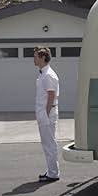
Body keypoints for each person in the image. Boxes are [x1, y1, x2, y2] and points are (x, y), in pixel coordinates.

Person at [33, 47, 60, 182]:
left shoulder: (48, 75)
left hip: (47, 113)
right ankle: (52, 170)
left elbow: (51, 94)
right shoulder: (44, 73)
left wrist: (46, 113)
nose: (34, 59)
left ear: (43, 58)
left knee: (49, 144)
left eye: (36, 57)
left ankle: (53, 173)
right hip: (45, 112)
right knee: (48, 143)